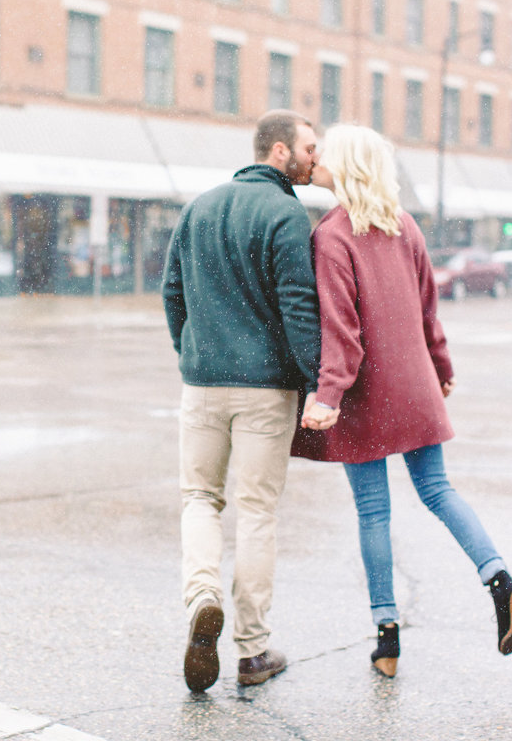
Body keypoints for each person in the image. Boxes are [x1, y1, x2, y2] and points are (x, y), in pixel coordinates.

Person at [293, 124, 512, 678]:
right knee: (438, 491)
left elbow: (341, 327)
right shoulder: (404, 226)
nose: (318, 156)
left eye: (326, 151)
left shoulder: (331, 235)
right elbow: (430, 313)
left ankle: (388, 637)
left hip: (364, 392)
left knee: (373, 511)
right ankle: (502, 582)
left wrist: (328, 393)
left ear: (345, 164)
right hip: (415, 384)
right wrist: (441, 369)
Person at [162, 110, 321, 692]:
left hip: (202, 384)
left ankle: (202, 596)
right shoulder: (286, 214)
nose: (313, 157)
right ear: (278, 151)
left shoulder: (199, 207)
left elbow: (172, 291)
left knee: (200, 498)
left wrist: (192, 352)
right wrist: (316, 384)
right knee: (256, 512)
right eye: (308, 147)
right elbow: (300, 308)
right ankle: (252, 653)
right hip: (265, 389)